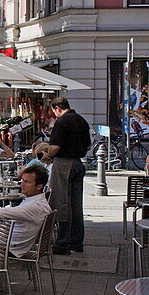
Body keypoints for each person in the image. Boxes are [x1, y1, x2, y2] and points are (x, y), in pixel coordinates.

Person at [45, 96, 90, 255]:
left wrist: (47, 153)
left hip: (64, 164)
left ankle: (63, 243)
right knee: (76, 205)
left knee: (62, 202)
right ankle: (76, 242)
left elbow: (55, 148)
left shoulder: (62, 122)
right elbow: (88, 145)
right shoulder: (81, 120)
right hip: (78, 163)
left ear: (57, 107)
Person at [0, 165, 53, 256]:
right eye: (22, 180)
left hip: (5, 248)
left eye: (27, 182)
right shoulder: (37, 201)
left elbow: (3, 212)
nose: (22, 184)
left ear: (39, 186)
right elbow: (14, 211)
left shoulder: (35, 206)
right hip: (3, 241)